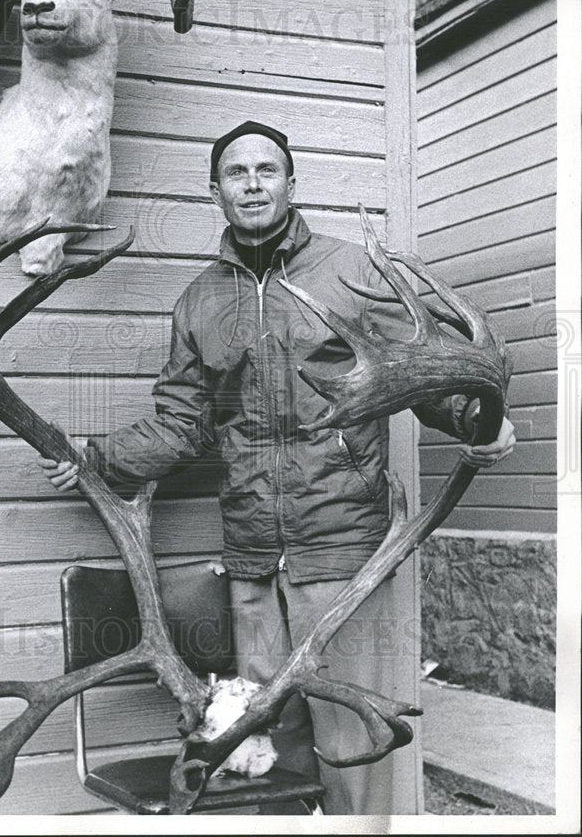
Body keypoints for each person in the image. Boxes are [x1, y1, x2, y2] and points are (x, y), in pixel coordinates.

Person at [40, 120, 516, 815]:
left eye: (267, 170)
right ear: (215, 192)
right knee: (270, 751)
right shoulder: (200, 302)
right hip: (253, 561)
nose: (253, 183)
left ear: (292, 184)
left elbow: (430, 374)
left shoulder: (354, 272)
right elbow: (182, 422)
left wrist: (479, 419)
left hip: (343, 552)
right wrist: (96, 459)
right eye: (236, 173)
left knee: (358, 749)